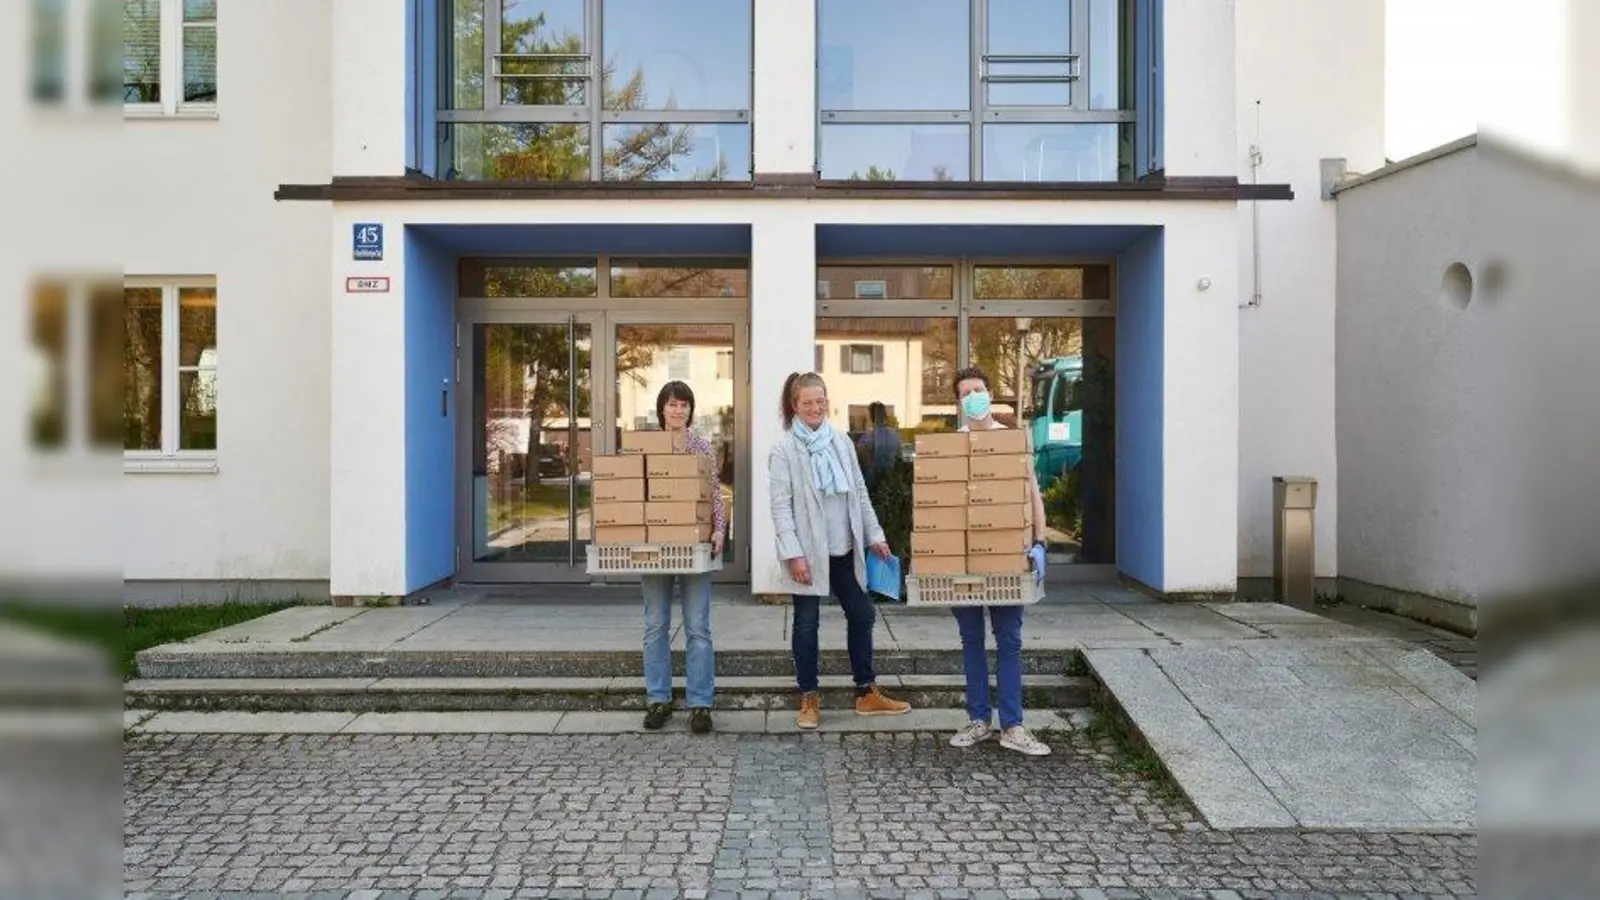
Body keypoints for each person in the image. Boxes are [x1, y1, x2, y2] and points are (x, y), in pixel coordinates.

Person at [770, 372, 912, 729]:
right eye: (807, 403)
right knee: (806, 624)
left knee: (862, 614)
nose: (815, 408)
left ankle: (865, 692)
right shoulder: (784, 450)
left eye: (820, 401)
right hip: (808, 554)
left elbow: (859, 494)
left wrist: (874, 535)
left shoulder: (840, 442)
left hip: (844, 548)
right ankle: (809, 697)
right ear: (794, 406)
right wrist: (793, 554)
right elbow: (780, 507)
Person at [946, 366, 1053, 756]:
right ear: (958, 402)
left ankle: (1013, 725)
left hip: (1008, 561)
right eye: (965, 392)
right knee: (971, 640)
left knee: (1009, 641)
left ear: (990, 393)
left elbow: (1033, 497)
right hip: (963, 562)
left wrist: (1039, 542)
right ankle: (978, 720)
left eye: (979, 389)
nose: (973, 396)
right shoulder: (951, 448)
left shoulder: (1012, 442)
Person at [639, 381, 727, 734]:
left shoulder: (701, 447)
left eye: (684, 405)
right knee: (655, 625)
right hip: (655, 548)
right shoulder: (647, 448)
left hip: (694, 548)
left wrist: (719, 529)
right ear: (662, 408)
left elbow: (715, 495)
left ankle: (701, 704)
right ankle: (658, 699)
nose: (678, 411)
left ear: (690, 410)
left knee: (698, 628)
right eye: (672, 405)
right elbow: (635, 494)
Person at [855, 401, 903, 488]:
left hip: (872, 481)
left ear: (870, 417)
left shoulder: (867, 438)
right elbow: (899, 457)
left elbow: (859, 458)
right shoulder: (895, 435)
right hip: (890, 480)